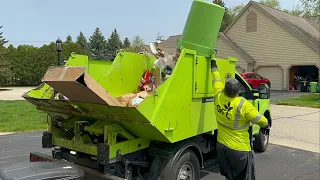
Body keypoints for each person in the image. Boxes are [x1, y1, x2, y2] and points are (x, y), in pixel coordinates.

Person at [210, 59, 270, 180]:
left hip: (221, 147)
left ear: (224, 89)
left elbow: (216, 80)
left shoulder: (218, 95)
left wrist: (213, 65)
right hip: (239, 150)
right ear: (237, 92)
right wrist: (266, 126)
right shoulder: (243, 104)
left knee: (228, 175)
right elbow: (262, 120)